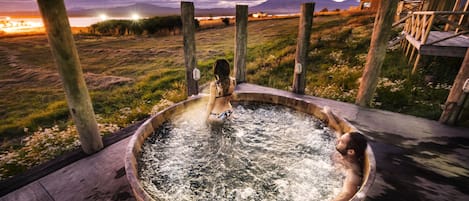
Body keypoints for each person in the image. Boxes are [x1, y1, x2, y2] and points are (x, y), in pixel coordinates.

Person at [323, 107, 368, 201]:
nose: (338, 140)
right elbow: (338, 130)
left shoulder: (351, 172)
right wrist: (329, 113)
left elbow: (347, 194)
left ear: (350, 152)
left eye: (342, 142)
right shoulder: (342, 151)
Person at [205, 59, 236, 125]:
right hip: (229, 112)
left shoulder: (214, 85)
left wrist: (205, 118)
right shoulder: (233, 81)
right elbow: (232, 97)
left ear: (216, 71)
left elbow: (211, 103)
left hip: (217, 115)